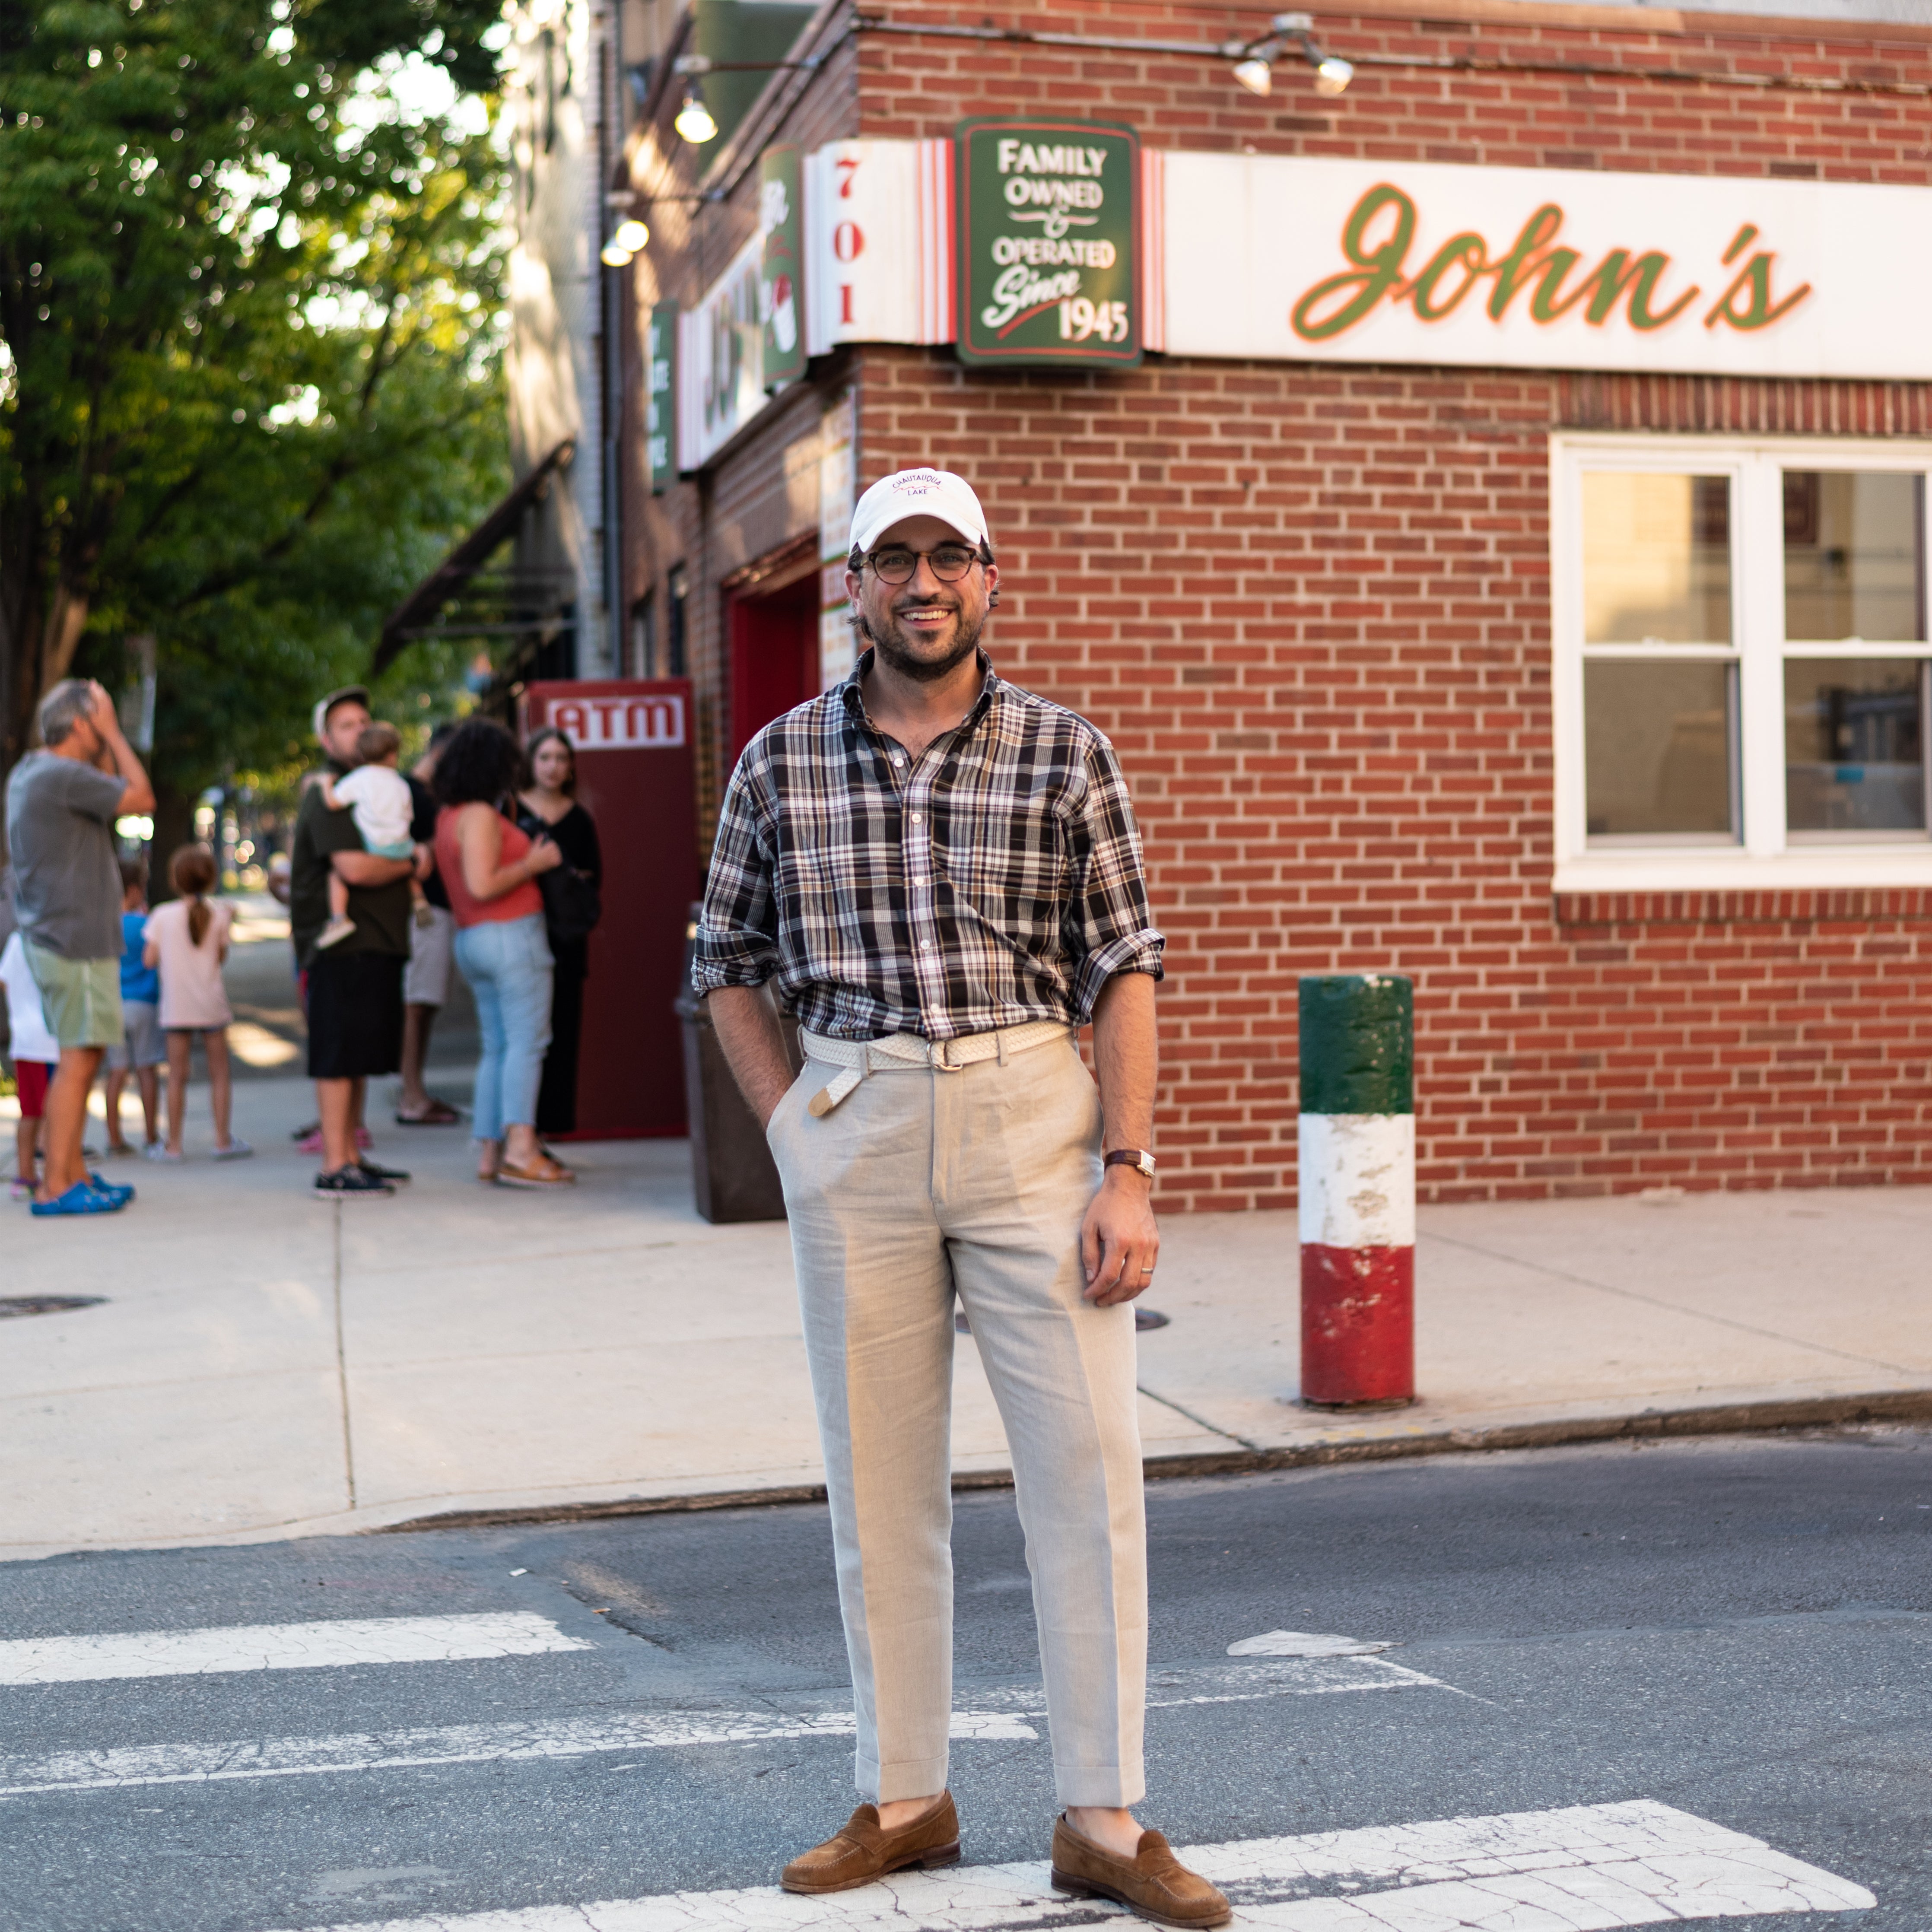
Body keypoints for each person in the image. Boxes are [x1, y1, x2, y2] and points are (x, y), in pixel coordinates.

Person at [693, 468, 1227, 1927]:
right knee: (878, 1480)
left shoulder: (1067, 751)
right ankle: (907, 1795)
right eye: (892, 559)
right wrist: (791, 1123)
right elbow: (722, 957)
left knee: (1086, 1471)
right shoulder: (779, 761)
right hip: (853, 1112)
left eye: (948, 556)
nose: (921, 583)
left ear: (993, 576)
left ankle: (1102, 1815)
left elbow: (1125, 963)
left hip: (1030, 1120)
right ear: (851, 588)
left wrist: (1128, 1168)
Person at [4, 678, 151, 1217]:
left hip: (62, 936)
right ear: (82, 723)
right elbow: (141, 796)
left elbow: (109, 791)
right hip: (74, 941)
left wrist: (104, 730)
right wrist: (114, 730)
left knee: (83, 1057)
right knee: (77, 1058)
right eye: (100, 717)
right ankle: (55, 1185)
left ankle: (72, 1172)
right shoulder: (59, 774)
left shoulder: (35, 771)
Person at [432, 718, 571, 1188]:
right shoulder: (479, 816)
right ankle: (521, 1149)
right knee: (527, 1043)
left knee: (497, 1045)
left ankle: (490, 1152)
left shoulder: (448, 816)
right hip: (511, 937)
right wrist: (533, 862)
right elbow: (482, 883)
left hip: (473, 939)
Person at [289, 684, 413, 1199]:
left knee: (359, 1054)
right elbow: (356, 868)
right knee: (339, 1056)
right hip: (340, 944)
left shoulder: (375, 787)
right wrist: (411, 862)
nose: (359, 728)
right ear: (325, 737)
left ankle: (353, 1156)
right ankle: (334, 1165)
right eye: (345, 724)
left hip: (376, 941)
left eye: (364, 721)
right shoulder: (329, 792)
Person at [515, 727, 601, 1138]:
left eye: (562, 759)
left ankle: (551, 1128)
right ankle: (520, 1129)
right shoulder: (511, 812)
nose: (553, 766)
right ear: (531, 762)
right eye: (545, 757)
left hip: (566, 942)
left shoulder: (580, 818)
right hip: (520, 934)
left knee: (563, 1034)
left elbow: (594, 881)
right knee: (524, 1036)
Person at [142, 843, 250, 1162]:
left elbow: (149, 959)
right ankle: (222, 1140)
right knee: (220, 1074)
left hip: (177, 1007)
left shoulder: (162, 915)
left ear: (176, 880)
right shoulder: (218, 915)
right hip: (211, 1005)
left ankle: (173, 1145)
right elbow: (219, 957)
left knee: (177, 1076)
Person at [314, 721, 429, 949]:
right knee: (410, 862)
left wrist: (325, 784)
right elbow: (408, 816)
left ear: (362, 754)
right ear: (393, 755)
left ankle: (339, 919)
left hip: (375, 846)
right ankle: (419, 899)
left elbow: (333, 802)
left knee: (336, 876)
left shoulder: (361, 778)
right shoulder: (401, 783)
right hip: (402, 845)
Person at [397, 721, 461, 1126]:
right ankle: (411, 1096)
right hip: (423, 911)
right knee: (415, 1006)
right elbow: (399, 850)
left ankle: (415, 1090)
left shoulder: (432, 794)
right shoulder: (408, 793)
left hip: (438, 910)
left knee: (426, 1005)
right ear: (439, 755)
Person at [104, 858, 164, 1158]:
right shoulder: (147, 926)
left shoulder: (106, 927)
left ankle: (114, 1137)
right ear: (134, 889)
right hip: (144, 1003)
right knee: (146, 1070)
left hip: (114, 1005)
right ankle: (152, 1136)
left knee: (116, 1072)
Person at [1, 924, 60, 1199]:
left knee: (30, 1113)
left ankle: (25, 1176)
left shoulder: (17, 941)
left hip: (25, 1041)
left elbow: (4, 981)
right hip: (50, 1041)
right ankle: (55, 1177)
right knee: (54, 1113)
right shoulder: (56, 940)